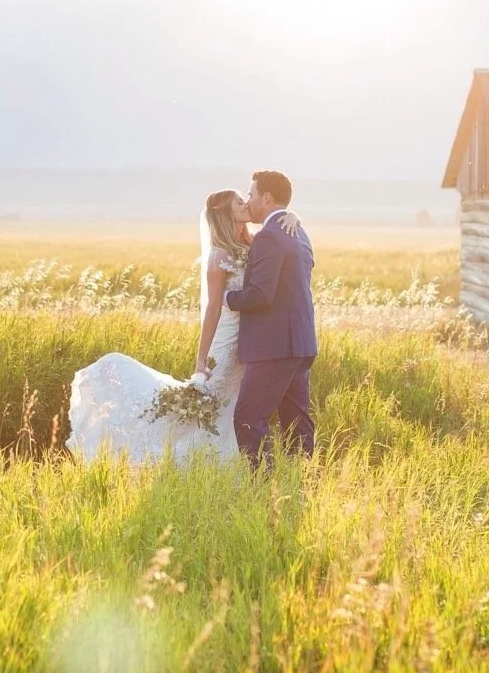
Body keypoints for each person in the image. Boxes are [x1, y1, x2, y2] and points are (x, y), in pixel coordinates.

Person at [67, 186, 299, 463]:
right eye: (240, 202)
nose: (247, 204)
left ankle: (232, 462)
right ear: (227, 215)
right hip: (227, 337)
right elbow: (213, 309)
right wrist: (202, 359)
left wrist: (293, 216)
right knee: (212, 398)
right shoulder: (219, 256)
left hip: (251, 339)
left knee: (236, 402)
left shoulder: (255, 242)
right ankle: (179, 455)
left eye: (245, 199)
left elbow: (277, 233)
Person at [224, 169, 317, 463]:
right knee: (296, 421)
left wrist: (225, 298)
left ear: (266, 197)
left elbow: (261, 295)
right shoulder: (298, 231)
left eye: (251, 194)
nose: (249, 200)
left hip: (275, 347)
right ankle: (301, 483)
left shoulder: (269, 236)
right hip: (300, 343)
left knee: (248, 418)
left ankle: (260, 486)